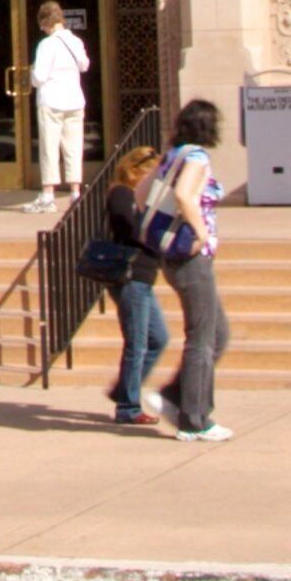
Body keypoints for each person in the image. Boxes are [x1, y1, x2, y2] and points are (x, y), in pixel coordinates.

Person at [152, 99, 231, 442]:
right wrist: (199, 231)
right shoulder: (196, 158)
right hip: (191, 256)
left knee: (217, 334)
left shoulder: (172, 156)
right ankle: (195, 419)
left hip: (172, 255)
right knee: (202, 338)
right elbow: (185, 195)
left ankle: (175, 395)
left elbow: (143, 193)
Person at [98, 141, 170, 426]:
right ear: (137, 171)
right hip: (130, 277)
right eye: (152, 175)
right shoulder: (122, 194)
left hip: (142, 277)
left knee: (158, 338)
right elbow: (127, 227)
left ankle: (123, 390)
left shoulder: (140, 197)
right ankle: (128, 406)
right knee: (137, 342)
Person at [27, 0, 90, 210]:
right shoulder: (75, 41)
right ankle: (74, 192)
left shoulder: (47, 44)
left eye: (42, 24)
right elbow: (84, 65)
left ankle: (48, 195)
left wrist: (32, 72)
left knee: (49, 148)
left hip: (52, 101)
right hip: (74, 100)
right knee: (74, 147)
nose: (41, 29)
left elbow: (39, 77)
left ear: (46, 21)